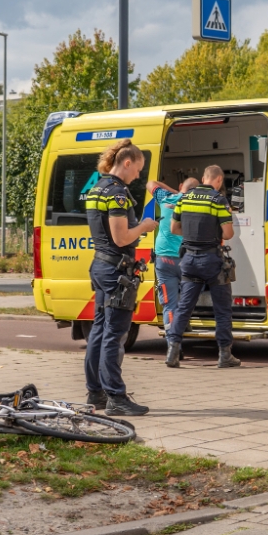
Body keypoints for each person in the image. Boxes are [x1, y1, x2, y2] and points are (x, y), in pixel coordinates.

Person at [83, 139, 158, 416]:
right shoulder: (117, 193)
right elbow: (121, 236)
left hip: (101, 266)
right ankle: (116, 397)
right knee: (115, 335)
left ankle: (96, 393)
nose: (138, 175)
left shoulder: (96, 189)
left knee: (100, 331)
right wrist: (144, 226)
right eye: (138, 169)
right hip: (116, 271)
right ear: (127, 163)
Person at [164, 165, 240, 369]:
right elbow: (228, 234)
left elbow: (174, 228)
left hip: (188, 260)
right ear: (218, 180)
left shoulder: (184, 198)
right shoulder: (218, 200)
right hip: (211, 260)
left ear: (204, 177)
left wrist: (192, 237)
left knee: (184, 307)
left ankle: (172, 351)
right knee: (222, 309)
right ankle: (225, 355)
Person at [147, 177, 200, 336]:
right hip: (186, 259)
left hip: (164, 259)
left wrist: (175, 192)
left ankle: (173, 344)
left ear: (180, 186)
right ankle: (185, 322)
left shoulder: (166, 197)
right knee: (188, 297)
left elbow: (151, 183)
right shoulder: (196, 204)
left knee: (169, 304)